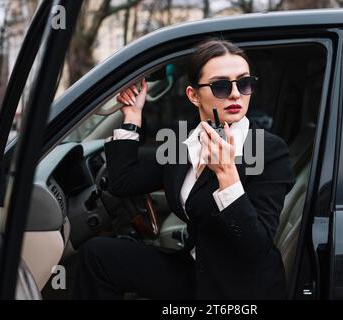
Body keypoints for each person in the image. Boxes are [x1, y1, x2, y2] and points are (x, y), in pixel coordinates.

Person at [73, 39, 295, 300]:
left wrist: (228, 176)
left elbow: (255, 247)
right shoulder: (184, 144)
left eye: (244, 83)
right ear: (193, 95)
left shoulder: (268, 150)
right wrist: (133, 117)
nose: (236, 94)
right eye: (221, 86)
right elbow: (123, 182)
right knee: (97, 255)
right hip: (196, 269)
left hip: (239, 289)